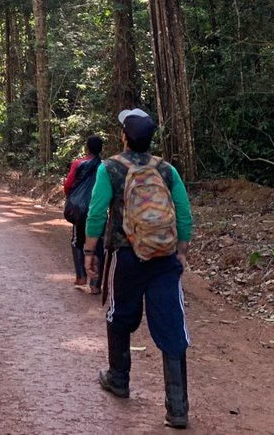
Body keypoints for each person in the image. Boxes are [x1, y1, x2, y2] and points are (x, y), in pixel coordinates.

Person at [85, 108, 193, 429]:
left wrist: (90, 250)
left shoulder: (110, 168)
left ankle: (118, 378)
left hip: (127, 256)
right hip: (164, 258)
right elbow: (183, 213)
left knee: (119, 315)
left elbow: (96, 212)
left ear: (124, 137)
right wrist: (181, 251)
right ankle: (177, 407)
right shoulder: (166, 170)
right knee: (172, 325)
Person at [62, 134, 104, 291]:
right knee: (99, 243)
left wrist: (72, 197)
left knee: (77, 241)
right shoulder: (104, 167)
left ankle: (81, 277)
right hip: (98, 209)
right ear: (101, 149)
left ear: (87, 148)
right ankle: (95, 285)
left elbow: (68, 185)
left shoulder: (78, 164)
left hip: (80, 210)